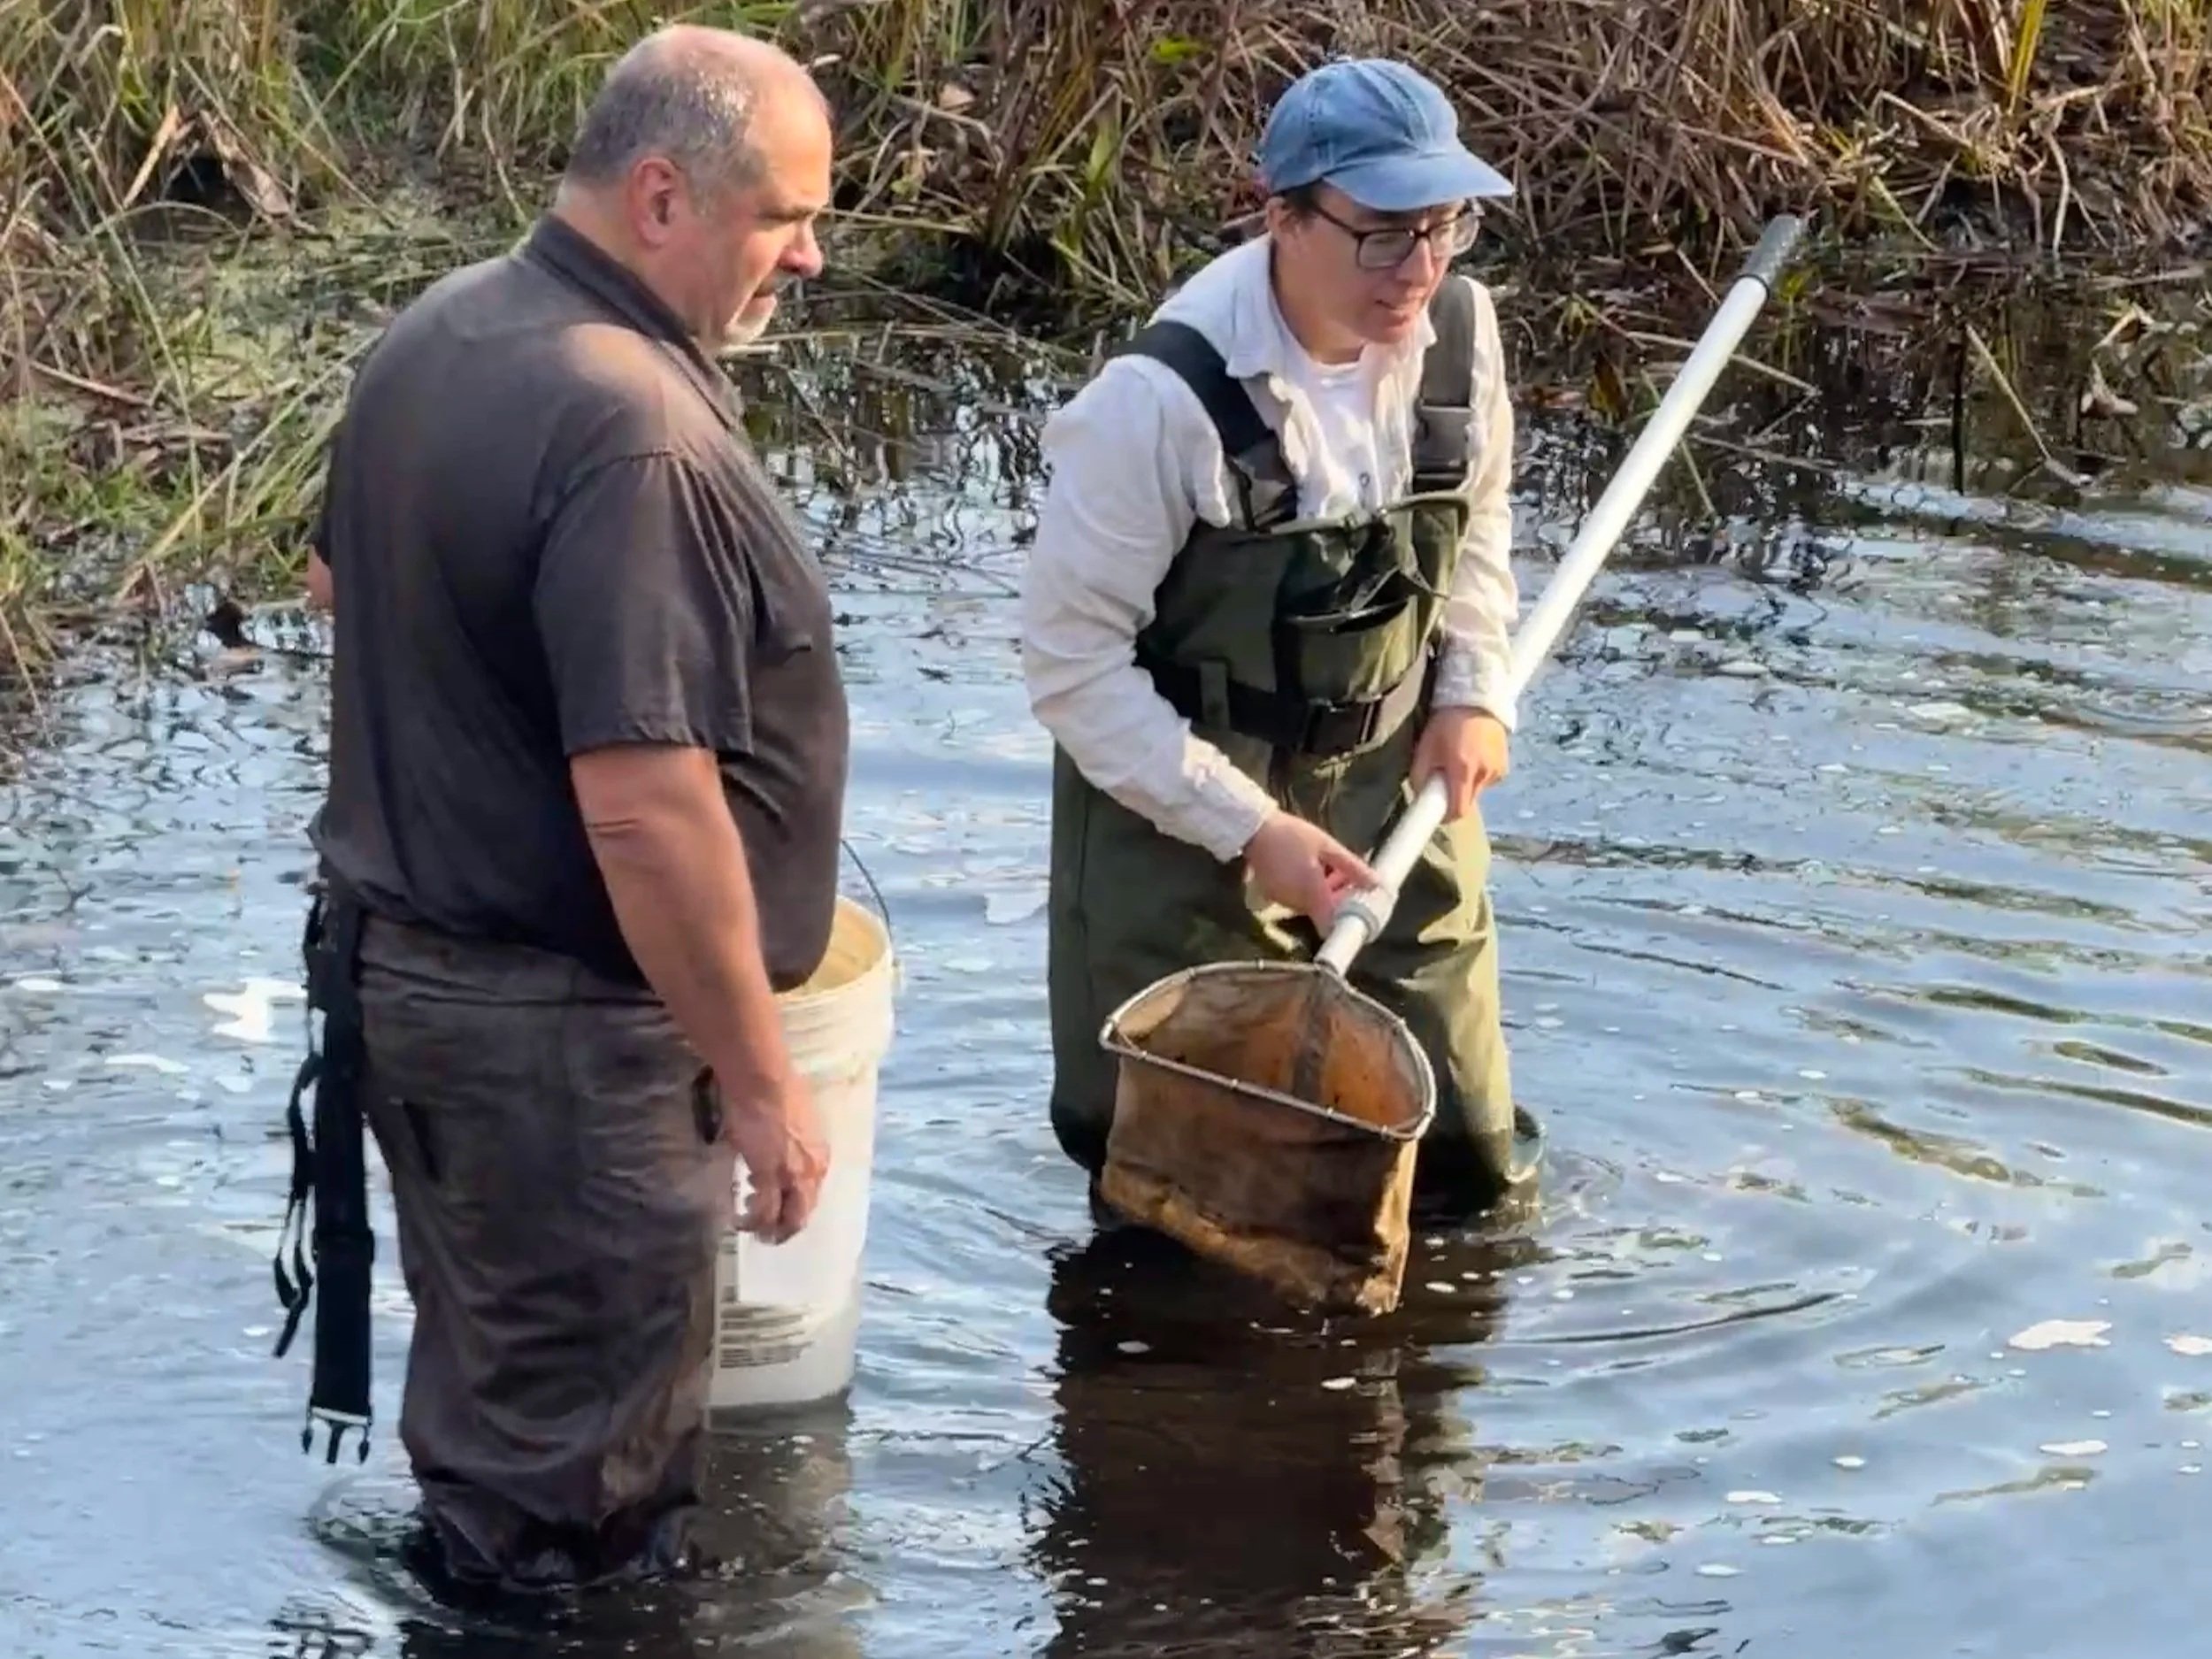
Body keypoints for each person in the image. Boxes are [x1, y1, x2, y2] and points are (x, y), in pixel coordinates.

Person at [273, 24, 846, 1593]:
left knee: (504, 1443)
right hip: (564, 1049)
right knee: (579, 1522)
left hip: (422, 994)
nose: (804, 258)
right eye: (782, 216)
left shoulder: (446, 331)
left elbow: (341, 583)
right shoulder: (629, 426)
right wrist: (761, 1078)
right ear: (662, 197)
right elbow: (650, 817)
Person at [1019, 58, 1534, 1223]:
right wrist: (1250, 830)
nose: (1419, 270)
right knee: (1188, 1190)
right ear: (1280, 213)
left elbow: (1480, 529)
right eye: (1381, 235)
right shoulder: (1158, 403)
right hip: (1184, 806)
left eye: (1446, 227)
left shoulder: (1461, 334)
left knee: (1464, 1157)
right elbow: (1070, 668)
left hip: (1397, 783)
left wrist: (1471, 688)